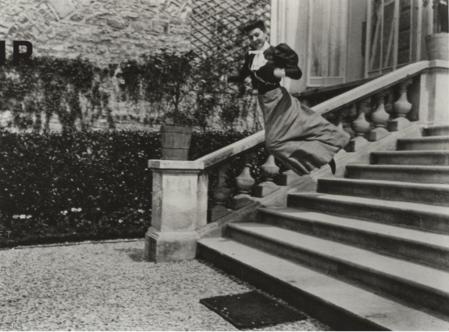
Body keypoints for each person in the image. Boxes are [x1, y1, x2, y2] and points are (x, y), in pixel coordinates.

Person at [230, 32, 349, 175]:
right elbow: (242, 75)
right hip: (264, 101)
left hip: (278, 99)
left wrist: (280, 72)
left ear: (266, 35)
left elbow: (297, 73)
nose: (254, 39)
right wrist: (228, 79)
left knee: (275, 143)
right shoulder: (251, 56)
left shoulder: (276, 52)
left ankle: (324, 152)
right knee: (285, 137)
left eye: (257, 35)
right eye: (250, 37)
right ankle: (321, 156)